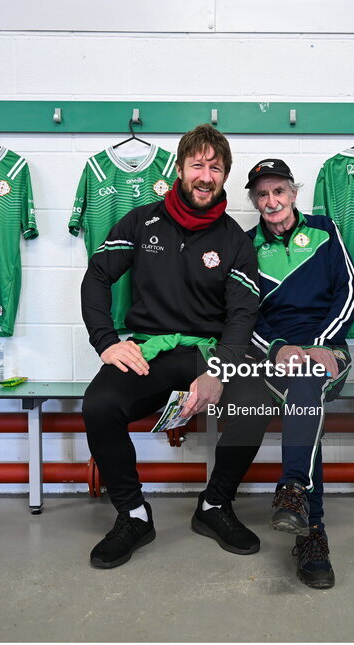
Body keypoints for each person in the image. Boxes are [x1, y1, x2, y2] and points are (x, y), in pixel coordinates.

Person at [80, 125, 268, 569]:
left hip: (207, 354)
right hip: (151, 351)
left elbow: (243, 314)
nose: (206, 176)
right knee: (99, 405)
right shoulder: (140, 220)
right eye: (198, 165)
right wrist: (107, 342)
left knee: (254, 403)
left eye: (216, 168)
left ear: (225, 176)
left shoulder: (236, 242)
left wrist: (220, 371)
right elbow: (97, 276)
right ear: (180, 169)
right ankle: (133, 514)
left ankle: (215, 505)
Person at [244, 158, 354, 589]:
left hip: (329, 351)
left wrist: (320, 345)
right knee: (305, 395)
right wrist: (277, 348)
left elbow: (349, 292)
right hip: (273, 358)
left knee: (308, 382)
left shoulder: (326, 230)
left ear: (293, 193)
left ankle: (293, 488)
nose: (271, 201)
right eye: (262, 194)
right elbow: (243, 314)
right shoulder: (244, 245)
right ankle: (313, 534)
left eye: (278, 191)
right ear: (255, 201)